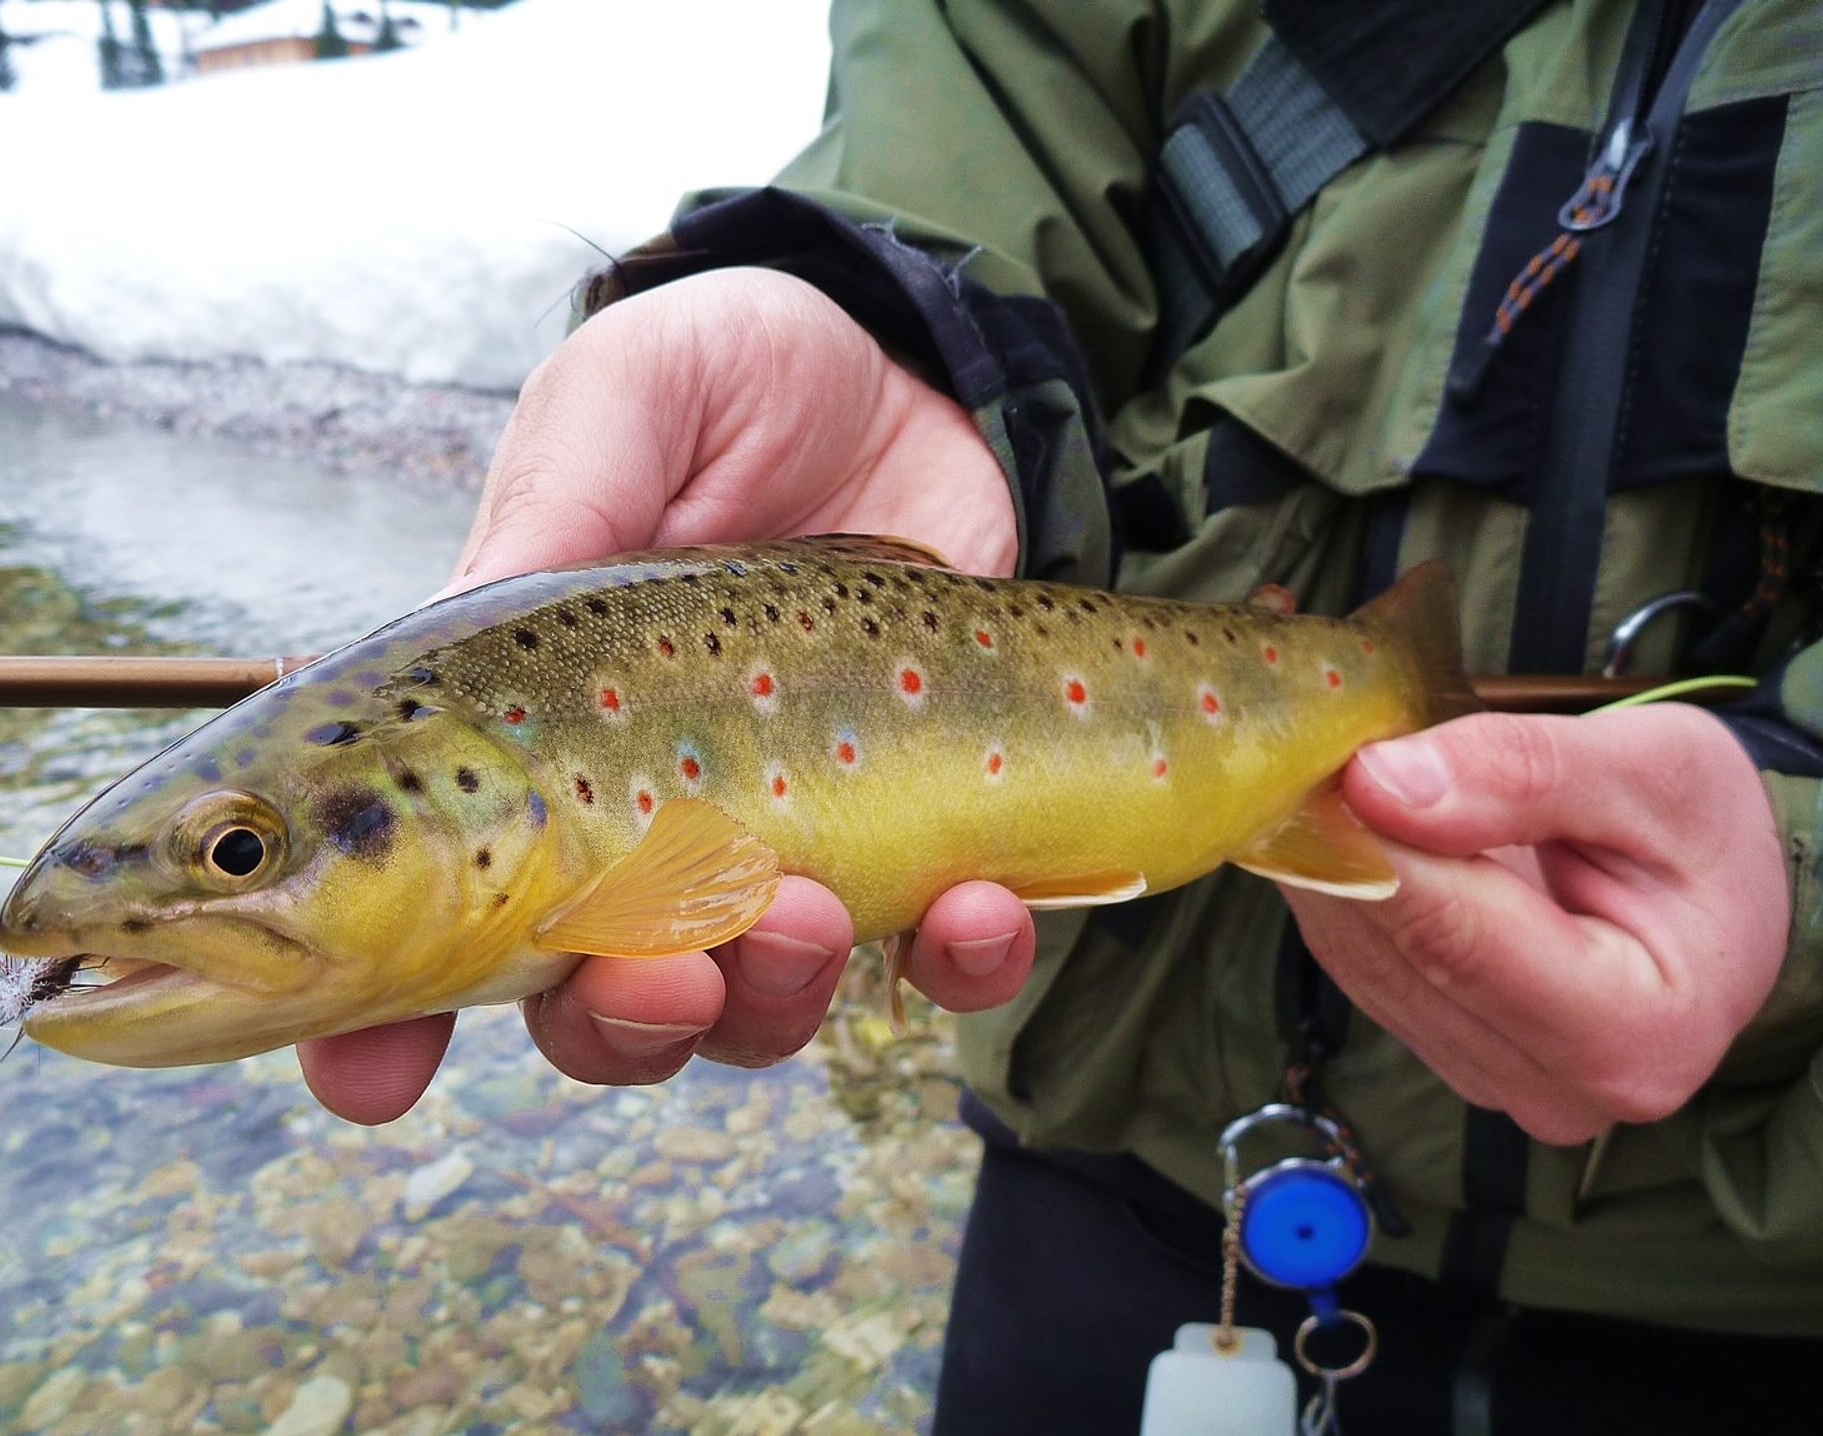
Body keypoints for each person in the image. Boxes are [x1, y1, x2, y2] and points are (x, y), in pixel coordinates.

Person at [299, 1, 1823, 1429]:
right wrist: (891, 314)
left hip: (1750, 1284)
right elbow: (995, 57)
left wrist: (1802, 845)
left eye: (244, 856)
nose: (246, 880)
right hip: (1118, 1156)